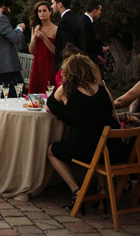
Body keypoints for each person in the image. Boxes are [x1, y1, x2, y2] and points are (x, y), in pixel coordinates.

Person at [46, 54, 127, 210]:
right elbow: (111, 113)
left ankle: (76, 190)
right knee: (98, 144)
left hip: (85, 148)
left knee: (51, 150)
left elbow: (50, 107)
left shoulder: (67, 90)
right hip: (112, 148)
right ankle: (101, 188)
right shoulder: (103, 90)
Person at [27, 1, 58, 94]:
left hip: (50, 65)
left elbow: (56, 51)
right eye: (39, 11)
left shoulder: (56, 29)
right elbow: (31, 50)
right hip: (37, 64)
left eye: (44, 11)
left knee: (49, 90)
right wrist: (35, 38)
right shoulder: (35, 28)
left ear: (50, 12)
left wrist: (44, 38)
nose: (42, 13)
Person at [51, 0, 87, 70]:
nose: (51, 6)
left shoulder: (65, 22)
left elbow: (67, 46)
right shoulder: (75, 18)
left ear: (60, 4)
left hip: (70, 66)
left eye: (53, 3)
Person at [83, 0, 109, 67]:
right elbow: (87, 43)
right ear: (95, 10)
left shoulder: (83, 20)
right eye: (99, 10)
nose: (100, 12)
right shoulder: (87, 23)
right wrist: (100, 49)